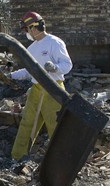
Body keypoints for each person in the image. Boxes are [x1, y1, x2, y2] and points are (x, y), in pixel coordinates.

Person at [10, 11, 73, 161]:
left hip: (54, 89)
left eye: (26, 29)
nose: (26, 33)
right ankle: (17, 157)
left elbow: (67, 65)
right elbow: (28, 70)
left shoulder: (54, 42)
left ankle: (62, 161)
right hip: (36, 89)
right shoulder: (32, 48)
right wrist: (11, 76)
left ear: (33, 27)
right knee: (27, 123)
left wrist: (55, 68)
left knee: (56, 126)